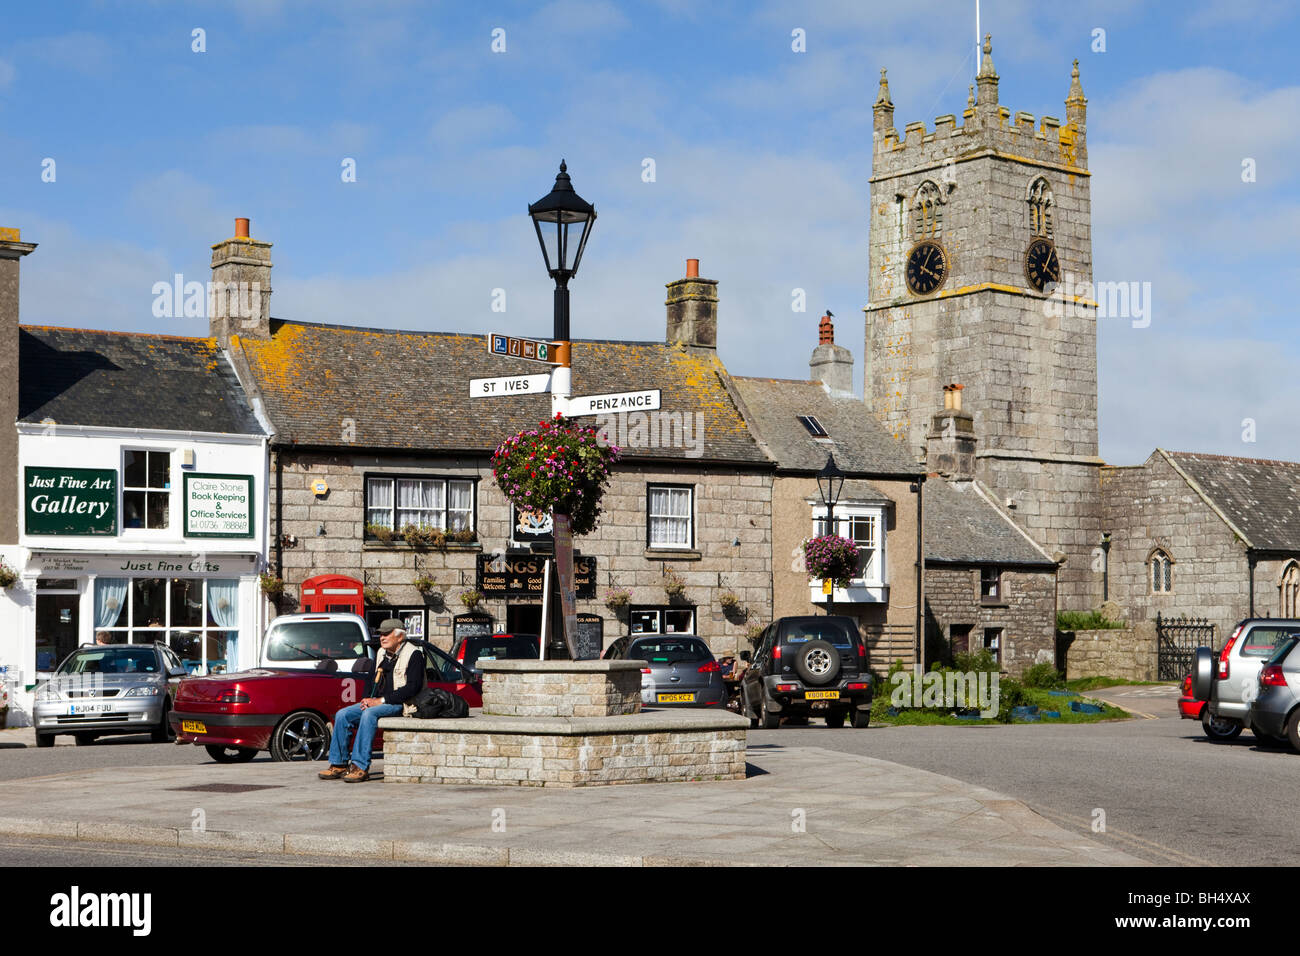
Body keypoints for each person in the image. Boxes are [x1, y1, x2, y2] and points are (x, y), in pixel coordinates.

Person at [318, 619, 425, 783]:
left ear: (400, 636)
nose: (382, 637)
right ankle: (338, 764)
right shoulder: (381, 653)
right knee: (342, 714)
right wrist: (366, 699)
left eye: (386, 633)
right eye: (381, 634)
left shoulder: (414, 654)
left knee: (369, 714)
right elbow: (369, 680)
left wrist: (379, 701)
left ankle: (360, 767)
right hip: (378, 702)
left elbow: (412, 688)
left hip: (402, 704)